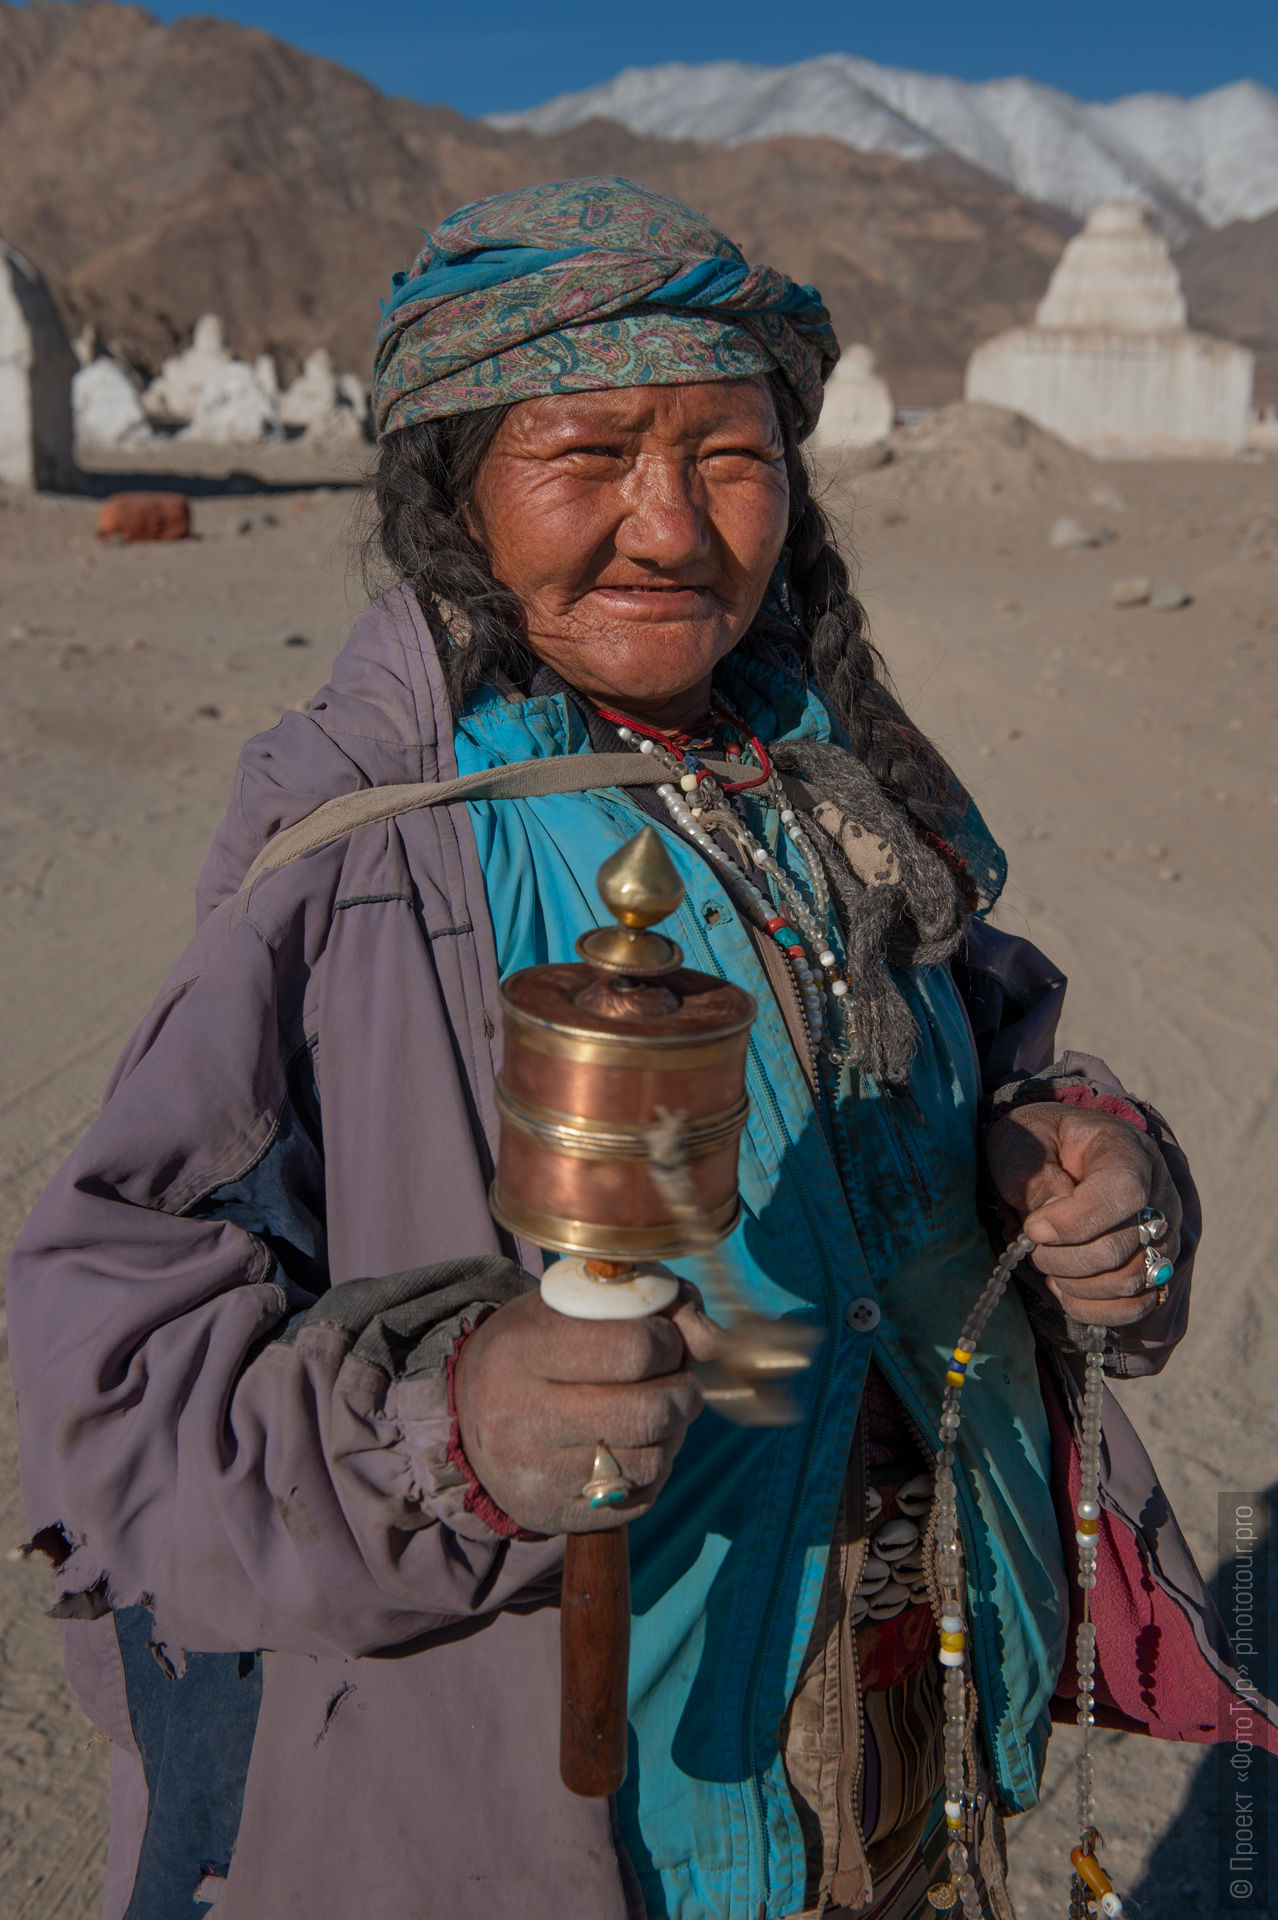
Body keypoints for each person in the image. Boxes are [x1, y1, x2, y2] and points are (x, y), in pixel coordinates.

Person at [6, 176, 1268, 1920]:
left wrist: (1078, 1168)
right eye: (587, 456)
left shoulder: (828, 787)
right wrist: (448, 1433)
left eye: (730, 458)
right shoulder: (367, 850)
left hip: (907, 1736)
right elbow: (111, 1379)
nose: (670, 531)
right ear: (455, 491)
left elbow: (999, 1049)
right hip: (572, 1820)